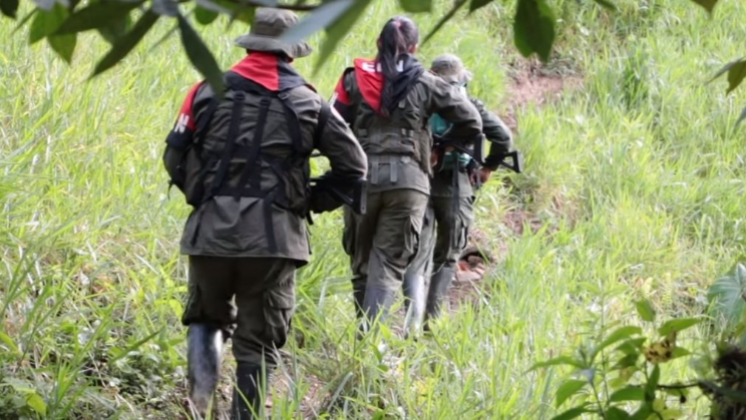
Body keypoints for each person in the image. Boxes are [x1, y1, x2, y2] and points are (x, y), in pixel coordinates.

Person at [162, 8, 367, 419]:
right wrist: (308, 201)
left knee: (205, 320)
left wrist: (203, 196)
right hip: (274, 240)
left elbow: (174, 156)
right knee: (258, 343)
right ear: (291, 53)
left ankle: (198, 408)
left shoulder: (205, 90)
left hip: (209, 234)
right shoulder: (310, 102)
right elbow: (355, 168)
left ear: (253, 44)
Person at [331, 17, 483, 331]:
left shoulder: (352, 79)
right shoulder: (427, 83)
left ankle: (367, 337)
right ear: (414, 47)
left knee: (361, 263)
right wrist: (440, 147)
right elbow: (472, 121)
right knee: (388, 261)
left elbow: (330, 123)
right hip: (410, 182)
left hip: (361, 180)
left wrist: (344, 160)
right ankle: (372, 344)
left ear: (377, 43)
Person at [402, 53, 514, 335]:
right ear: (461, 78)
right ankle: (432, 322)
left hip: (421, 180)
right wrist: (488, 167)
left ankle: (411, 325)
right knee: (448, 255)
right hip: (456, 184)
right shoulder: (469, 104)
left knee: (418, 253)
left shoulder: (421, 99)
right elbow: (503, 137)